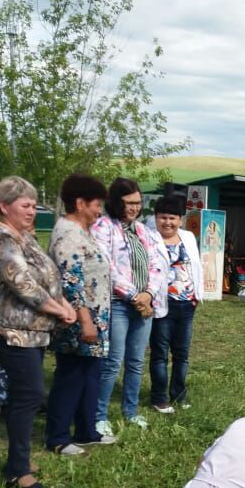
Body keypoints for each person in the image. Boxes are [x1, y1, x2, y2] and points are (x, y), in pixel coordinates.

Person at [0, 176, 77, 488]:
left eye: (34, 205)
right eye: (25, 205)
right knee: (29, 395)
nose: (32, 210)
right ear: (4, 206)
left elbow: (46, 276)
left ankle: (19, 460)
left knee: (27, 395)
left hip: (31, 331)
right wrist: (59, 310)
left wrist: (64, 302)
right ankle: (17, 471)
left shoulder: (23, 235)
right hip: (7, 330)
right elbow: (21, 282)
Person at [44, 174, 116, 455]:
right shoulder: (68, 234)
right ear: (80, 203)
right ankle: (58, 437)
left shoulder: (83, 232)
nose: (99, 211)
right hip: (77, 321)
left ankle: (86, 430)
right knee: (71, 377)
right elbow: (70, 281)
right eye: (96, 205)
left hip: (95, 320)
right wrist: (85, 320)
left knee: (90, 376)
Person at [91, 177, 164, 435]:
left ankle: (130, 411)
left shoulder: (143, 231)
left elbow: (156, 263)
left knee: (135, 362)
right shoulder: (102, 227)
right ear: (115, 202)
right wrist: (135, 295)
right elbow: (105, 266)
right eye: (128, 203)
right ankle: (98, 415)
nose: (134, 208)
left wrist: (149, 293)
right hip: (118, 304)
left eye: (137, 203)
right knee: (113, 361)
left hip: (144, 305)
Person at [150, 194, 203, 413]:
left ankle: (179, 394)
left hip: (187, 304)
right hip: (163, 304)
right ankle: (159, 397)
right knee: (160, 353)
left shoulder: (188, 237)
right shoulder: (150, 238)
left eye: (172, 218)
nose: (168, 222)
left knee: (182, 354)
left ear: (180, 219)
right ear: (156, 218)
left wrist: (196, 295)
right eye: (163, 217)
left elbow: (196, 266)